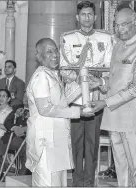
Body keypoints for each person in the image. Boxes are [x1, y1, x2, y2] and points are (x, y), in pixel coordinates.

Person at [89, 7, 136, 186]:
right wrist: (101, 83)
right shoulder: (118, 46)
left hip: (134, 120)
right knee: (121, 169)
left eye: (124, 25)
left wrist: (105, 102)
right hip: (115, 118)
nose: (119, 29)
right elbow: (115, 78)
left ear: (135, 23)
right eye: (116, 25)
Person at [25, 38, 93, 187]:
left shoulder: (51, 74)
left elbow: (62, 101)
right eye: (49, 51)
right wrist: (78, 112)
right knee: (48, 183)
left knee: (59, 183)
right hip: (46, 141)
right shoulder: (41, 76)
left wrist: (83, 83)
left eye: (55, 50)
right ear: (39, 56)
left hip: (57, 140)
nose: (55, 54)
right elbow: (45, 109)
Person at [60, 1, 113, 186]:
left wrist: (94, 79)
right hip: (75, 98)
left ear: (95, 17)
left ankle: (89, 182)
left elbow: (109, 67)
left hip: (96, 97)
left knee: (92, 144)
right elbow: (64, 69)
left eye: (90, 14)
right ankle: (76, 181)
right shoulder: (68, 38)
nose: (87, 18)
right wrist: (80, 78)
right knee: (75, 144)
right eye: (83, 14)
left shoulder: (106, 38)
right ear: (77, 17)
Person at [0, 104, 28, 182]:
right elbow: (7, 123)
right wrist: (14, 125)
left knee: (25, 148)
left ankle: (23, 175)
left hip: (23, 139)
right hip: (8, 138)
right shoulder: (15, 111)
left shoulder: (32, 111)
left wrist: (24, 128)